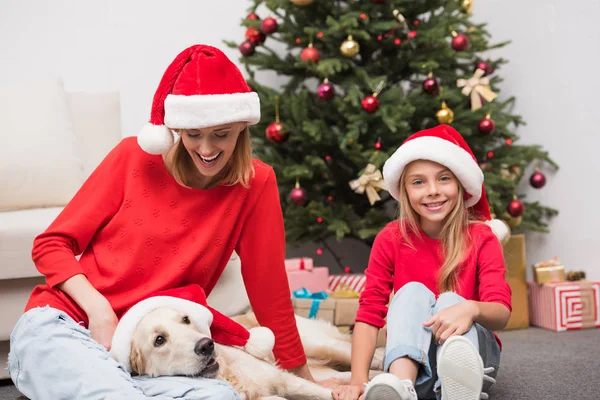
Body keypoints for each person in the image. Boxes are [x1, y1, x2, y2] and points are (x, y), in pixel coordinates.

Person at [7, 44, 316, 400]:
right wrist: (99, 310)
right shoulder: (132, 158)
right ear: (175, 129)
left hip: (151, 356)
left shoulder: (255, 184)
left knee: (221, 397)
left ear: (242, 128)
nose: (206, 148)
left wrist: (302, 376)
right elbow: (51, 244)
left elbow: (268, 286)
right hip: (66, 326)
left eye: (221, 134)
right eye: (193, 133)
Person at [332, 125, 512, 400]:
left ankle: (458, 388)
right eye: (418, 182)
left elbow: (501, 312)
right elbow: (369, 314)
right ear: (404, 189)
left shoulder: (481, 237)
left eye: (443, 179)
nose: (432, 191)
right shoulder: (391, 238)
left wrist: (470, 309)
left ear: (461, 184)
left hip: (475, 359)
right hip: (419, 366)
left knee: (451, 301)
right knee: (411, 292)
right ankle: (402, 387)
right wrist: (358, 380)